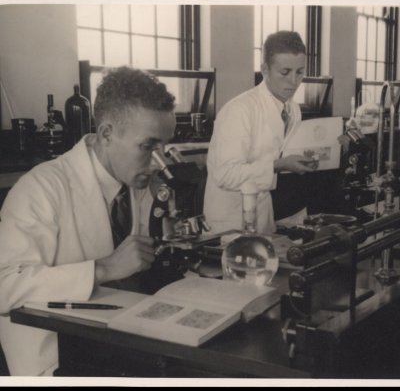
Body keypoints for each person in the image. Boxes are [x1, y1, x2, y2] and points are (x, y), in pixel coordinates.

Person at [0, 67, 176, 376]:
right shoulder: (42, 188)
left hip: (120, 342)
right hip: (56, 358)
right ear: (107, 134)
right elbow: (3, 286)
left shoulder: (135, 181)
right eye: (148, 146)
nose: (159, 160)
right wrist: (103, 268)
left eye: (164, 146)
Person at [204, 30, 318, 235]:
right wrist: (278, 166)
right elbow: (225, 175)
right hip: (230, 220)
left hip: (264, 212)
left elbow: (276, 157)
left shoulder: (293, 109)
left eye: (300, 72)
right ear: (264, 69)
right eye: (285, 72)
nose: (294, 81)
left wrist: (301, 162)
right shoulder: (240, 110)